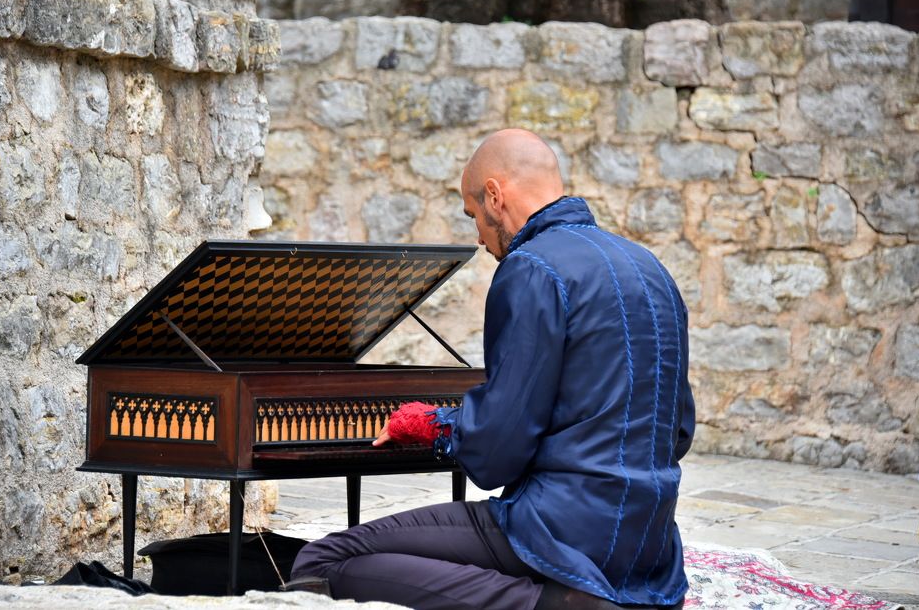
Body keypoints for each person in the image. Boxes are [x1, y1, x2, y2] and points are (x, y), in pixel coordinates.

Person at [290, 128, 695, 609]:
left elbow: (497, 448)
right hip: (650, 544)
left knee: (324, 559)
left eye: (473, 216)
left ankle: (556, 605)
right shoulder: (650, 268)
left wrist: (431, 424)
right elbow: (680, 430)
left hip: (559, 532)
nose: (479, 238)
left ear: (494, 196)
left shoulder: (531, 268)